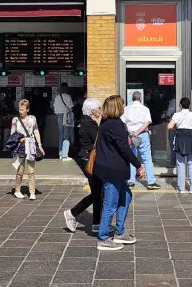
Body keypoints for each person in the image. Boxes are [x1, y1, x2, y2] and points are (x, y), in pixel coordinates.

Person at [93, 95, 141, 251]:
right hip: (112, 169)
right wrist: (139, 166)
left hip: (114, 169)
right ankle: (103, 238)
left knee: (126, 196)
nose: (124, 107)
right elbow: (124, 149)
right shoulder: (114, 125)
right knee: (110, 204)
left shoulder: (108, 123)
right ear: (117, 107)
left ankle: (119, 232)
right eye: (122, 105)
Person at [63, 98, 103, 234]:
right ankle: (74, 213)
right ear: (93, 111)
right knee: (98, 192)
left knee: (98, 192)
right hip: (88, 160)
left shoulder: (87, 122)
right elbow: (100, 140)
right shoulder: (89, 123)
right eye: (99, 108)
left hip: (86, 158)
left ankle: (96, 223)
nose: (100, 110)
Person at [7, 99, 44, 200]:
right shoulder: (15, 120)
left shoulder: (32, 119)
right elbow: (12, 134)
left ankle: (32, 192)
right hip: (20, 146)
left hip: (31, 145)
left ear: (27, 109)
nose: (21, 112)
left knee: (31, 171)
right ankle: (17, 190)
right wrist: (19, 139)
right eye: (19, 109)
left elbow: (36, 131)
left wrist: (40, 145)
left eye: (23, 110)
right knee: (20, 170)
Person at [167, 98, 192, 194]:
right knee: (191, 164)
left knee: (180, 164)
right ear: (189, 105)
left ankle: (181, 188)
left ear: (180, 105)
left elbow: (169, 126)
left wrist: (177, 128)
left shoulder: (177, 115)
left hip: (180, 139)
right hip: (190, 140)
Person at [122, 91, 158, 190]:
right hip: (142, 135)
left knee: (131, 157)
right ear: (140, 98)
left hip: (130, 135)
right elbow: (147, 123)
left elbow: (123, 123)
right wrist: (137, 132)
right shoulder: (145, 109)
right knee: (147, 159)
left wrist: (131, 133)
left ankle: (131, 181)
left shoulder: (126, 109)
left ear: (132, 98)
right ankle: (151, 182)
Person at [53, 83, 74, 160]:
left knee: (61, 135)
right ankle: (65, 155)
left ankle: (60, 154)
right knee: (66, 136)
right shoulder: (68, 97)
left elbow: (55, 108)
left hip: (59, 116)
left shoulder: (57, 97)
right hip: (66, 117)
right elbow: (71, 108)